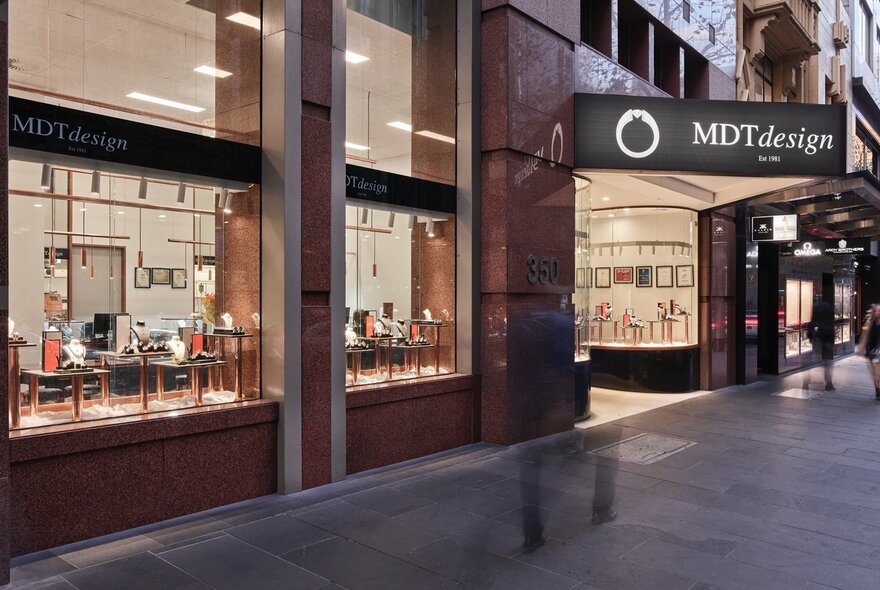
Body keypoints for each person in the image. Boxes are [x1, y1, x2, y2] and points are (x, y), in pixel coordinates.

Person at [809, 298, 835, 391]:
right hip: (828, 336)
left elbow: (812, 321)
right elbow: (831, 323)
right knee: (827, 361)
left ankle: (806, 381)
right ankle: (829, 383)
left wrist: (810, 335)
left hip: (818, 335)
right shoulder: (829, 308)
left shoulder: (816, 308)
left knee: (811, 360)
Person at [861, 305, 880, 399]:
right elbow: (866, 336)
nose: (876, 312)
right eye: (874, 311)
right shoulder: (871, 323)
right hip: (873, 351)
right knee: (875, 373)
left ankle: (878, 391)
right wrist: (862, 348)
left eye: (877, 311)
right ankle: (878, 391)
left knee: (877, 373)